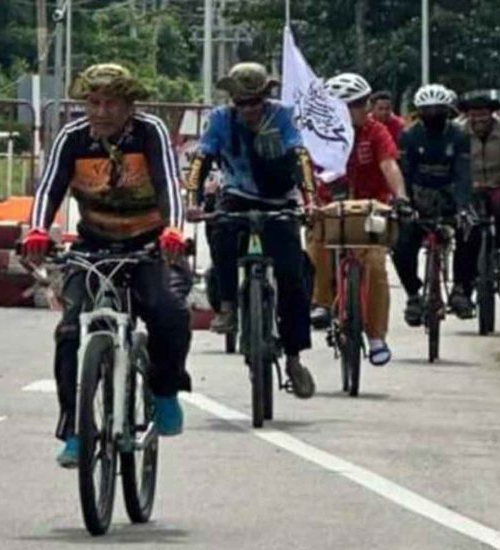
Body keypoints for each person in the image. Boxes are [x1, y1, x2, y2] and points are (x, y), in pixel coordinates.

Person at [22, 63, 192, 467]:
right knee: (68, 332)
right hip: (94, 246)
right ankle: (75, 431)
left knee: (170, 313)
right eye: (93, 103)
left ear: (129, 106)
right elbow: (49, 187)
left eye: (110, 103)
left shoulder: (150, 133)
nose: (100, 112)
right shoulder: (72, 138)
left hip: (150, 245)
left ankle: (165, 392)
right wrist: (37, 231)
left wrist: (174, 230)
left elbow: (170, 184)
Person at [186, 62, 316, 398]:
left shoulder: (283, 116)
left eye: (255, 102)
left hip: (280, 203)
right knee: (220, 233)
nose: (249, 110)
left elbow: (300, 155)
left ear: (266, 97)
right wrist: (193, 200)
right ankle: (228, 307)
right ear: (232, 101)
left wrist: (310, 200)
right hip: (236, 197)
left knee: (293, 276)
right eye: (242, 103)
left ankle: (293, 357)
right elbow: (202, 159)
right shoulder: (219, 119)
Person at [308, 73, 408, 366]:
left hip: (370, 209)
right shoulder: (316, 132)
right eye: (350, 105)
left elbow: (389, 165)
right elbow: (305, 170)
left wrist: (400, 197)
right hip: (327, 206)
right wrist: (308, 201)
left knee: (376, 265)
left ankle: (376, 336)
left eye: (361, 103)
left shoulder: (376, 132)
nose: (360, 109)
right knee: (317, 245)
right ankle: (323, 303)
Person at [393, 84, 472, 324]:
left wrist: (462, 208)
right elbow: (405, 172)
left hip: (450, 199)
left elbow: (462, 174)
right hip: (419, 201)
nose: (433, 115)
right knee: (401, 244)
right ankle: (414, 295)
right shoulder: (409, 136)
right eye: (427, 110)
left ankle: (460, 288)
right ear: (419, 111)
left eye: (439, 110)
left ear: (448, 111)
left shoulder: (459, 136)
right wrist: (404, 203)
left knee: (471, 234)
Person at [456, 90, 500, 276]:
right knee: (464, 228)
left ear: (491, 113)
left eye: (483, 113)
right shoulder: (459, 132)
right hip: (470, 187)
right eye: (474, 114)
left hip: (497, 184)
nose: (479, 119)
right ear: (468, 115)